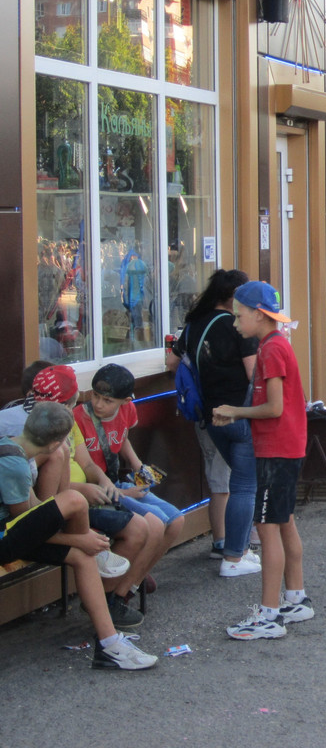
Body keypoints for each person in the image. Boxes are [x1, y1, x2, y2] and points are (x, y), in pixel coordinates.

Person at [0, 402, 157, 669]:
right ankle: (93, 549)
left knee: (83, 557)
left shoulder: (16, 447)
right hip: (4, 538)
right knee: (74, 500)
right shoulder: (13, 464)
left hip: (13, 532)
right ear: (54, 442)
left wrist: (78, 543)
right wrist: (77, 539)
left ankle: (109, 646)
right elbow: (20, 524)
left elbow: (30, 519)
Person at [213, 281, 313, 639]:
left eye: (239, 315)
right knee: (284, 522)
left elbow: (274, 408)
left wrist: (234, 411)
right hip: (287, 446)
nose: (235, 323)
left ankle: (269, 615)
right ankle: (296, 598)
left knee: (267, 528)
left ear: (258, 314)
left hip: (276, 449)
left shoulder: (271, 349)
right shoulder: (276, 344)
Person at [167, 269, 261, 576]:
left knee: (219, 481)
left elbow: (172, 362)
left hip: (206, 414)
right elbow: (254, 374)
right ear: (233, 297)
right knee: (241, 485)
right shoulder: (238, 326)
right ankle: (235, 550)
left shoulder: (195, 323)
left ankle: (221, 542)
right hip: (237, 412)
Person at [73, 365, 187, 581]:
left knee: (176, 521)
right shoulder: (78, 417)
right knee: (157, 524)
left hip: (116, 484)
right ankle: (121, 588)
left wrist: (139, 467)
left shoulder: (128, 410)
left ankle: (135, 578)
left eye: (107, 401)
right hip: (95, 492)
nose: (98, 404)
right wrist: (126, 493)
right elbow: (88, 469)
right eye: (95, 396)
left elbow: (122, 437)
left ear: (125, 401)